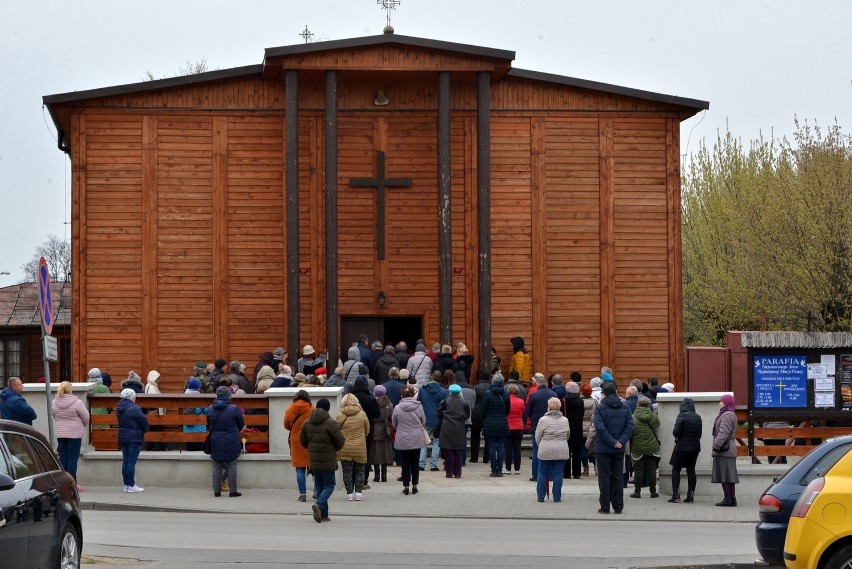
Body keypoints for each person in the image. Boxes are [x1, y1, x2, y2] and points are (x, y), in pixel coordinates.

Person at [300, 398, 345, 522]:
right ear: (328, 409)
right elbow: (340, 441)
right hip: (328, 459)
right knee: (329, 485)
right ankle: (319, 504)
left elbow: (302, 441)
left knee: (319, 485)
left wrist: (311, 448)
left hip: (313, 460)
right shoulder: (331, 423)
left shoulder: (307, 422)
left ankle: (323, 515)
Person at [593, 381, 633, 514]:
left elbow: (599, 428)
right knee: (618, 477)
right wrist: (620, 442)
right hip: (619, 448)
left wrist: (611, 442)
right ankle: (618, 506)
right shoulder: (625, 407)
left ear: (604, 394)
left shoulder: (600, 408)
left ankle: (605, 507)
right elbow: (630, 427)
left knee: (604, 477)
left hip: (603, 448)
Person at [208, 386, 245, 497]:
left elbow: (209, 424)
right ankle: (233, 491)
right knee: (232, 464)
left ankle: (217, 491)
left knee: (216, 465)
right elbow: (241, 424)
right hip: (231, 439)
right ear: (228, 396)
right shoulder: (234, 409)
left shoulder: (210, 408)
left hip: (215, 439)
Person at [52, 381, 89, 489]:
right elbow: (86, 416)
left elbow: (54, 415)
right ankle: (72, 484)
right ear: (70, 390)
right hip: (74, 434)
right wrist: (83, 424)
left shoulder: (54, 402)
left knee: (63, 457)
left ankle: (62, 483)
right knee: (72, 459)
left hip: (60, 433)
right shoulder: (77, 402)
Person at [392, 385, 427, 495]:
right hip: (417, 437)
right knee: (415, 462)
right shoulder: (419, 407)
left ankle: (406, 486)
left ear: (402, 395)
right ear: (413, 394)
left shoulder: (397, 408)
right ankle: (415, 486)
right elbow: (423, 421)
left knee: (405, 463)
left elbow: (394, 424)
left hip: (402, 437)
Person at [535, 397, 571, 502]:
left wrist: (541, 445)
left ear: (549, 407)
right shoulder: (565, 420)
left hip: (545, 448)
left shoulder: (543, 420)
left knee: (542, 472)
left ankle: (541, 496)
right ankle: (557, 497)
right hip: (561, 448)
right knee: (558, 473)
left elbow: (538, 436)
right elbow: (567, 435)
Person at [336, 393, 370, 501]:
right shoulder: (362, 414)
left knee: (347, 471)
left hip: (344, 447)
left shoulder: (340, 415)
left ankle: (349, 494)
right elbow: (367, 430)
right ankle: (359, 493)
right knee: (360, 470)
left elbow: (336, 431)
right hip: (359, 446)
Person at [669, 397, 702, 503]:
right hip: (695, 448)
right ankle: (691, 495)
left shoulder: (681, 415)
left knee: (676, 469)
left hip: (682, 447)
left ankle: (676, 495)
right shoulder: (698, 417)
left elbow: (676, 433)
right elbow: (699, 434)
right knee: (691, 470)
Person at [284, 390, 314, 502]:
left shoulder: (289, 409)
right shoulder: (312, 409)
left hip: (296, 441)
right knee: (314, 467)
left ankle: (302, 494)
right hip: (310, 440)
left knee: (299, 469)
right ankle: (316, 492)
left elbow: (286, 425)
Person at [525, 373, 556, 481]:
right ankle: (550, 475)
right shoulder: (553, 394)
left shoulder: (534, 395)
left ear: (537, 383)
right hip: (551, 426)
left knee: (536, 451)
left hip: (537, 426)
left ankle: (536, 475)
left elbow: (528, 412)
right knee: (550, 450)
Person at [117, 388, 148, 492]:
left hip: (123, 436)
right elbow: (143, 421)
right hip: (134, 437)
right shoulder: (135, 408)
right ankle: (131, 485)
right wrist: (145, 429)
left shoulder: (119, 407)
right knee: (131, 462)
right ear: (132, 397)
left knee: (126, 461)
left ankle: (126, 485)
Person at [629, 397, 661, 499]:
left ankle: (637, 492)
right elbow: (657, 426)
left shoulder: (632, 417)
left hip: (638, 448)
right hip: (652, 447)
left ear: (637, 405)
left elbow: (630, 432)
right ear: (648, 405)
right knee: (652, 469)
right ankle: (653, 492)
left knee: (638, 470)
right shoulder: (653, 416)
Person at [417, 370, 448, 471]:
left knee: (423, 442)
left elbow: (418, 404)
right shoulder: (444, 391)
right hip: (438, 420)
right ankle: (433, 465)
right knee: (436, 442)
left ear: (431, 377)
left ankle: (421, 464)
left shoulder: (422, 389)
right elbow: (446, 407)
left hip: (425, 419)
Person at [480, 374, 511, 477]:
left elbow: (483, 409)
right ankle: (500, 469)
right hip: (502, 422)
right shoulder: (506, 394)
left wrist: (486, 418)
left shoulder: (488, 394)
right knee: (501, 447)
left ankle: (494, 469)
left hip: (490, 422)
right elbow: (508, 410)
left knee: (492, 446)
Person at [437, 384, 470, 478]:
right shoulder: (464, 403)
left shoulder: (445, 401)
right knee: (458, 451)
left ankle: (449, 472)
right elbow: (467, 415)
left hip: (447, 427)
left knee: (448, 451)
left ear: (450, 392)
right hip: (459, 427)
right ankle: (458, 473)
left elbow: (438, 413)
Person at [712, 393, 739, 507]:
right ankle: (732, 499)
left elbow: (724, 432)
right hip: (728, 449)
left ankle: (728, 499)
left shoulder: (727, 415)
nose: (719, 403)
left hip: (725, 450)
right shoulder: (730, 414)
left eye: (721, 401)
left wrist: (716, 445)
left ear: (726, 403)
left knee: (725, 476)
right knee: (729, 476)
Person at [370, 385, 394, 483]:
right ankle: (384, 475)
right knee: (384, 453)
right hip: (385, 430)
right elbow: (391, 418)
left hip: (374, 429)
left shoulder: (372, 403)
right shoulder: (389, 404)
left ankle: (376, 475)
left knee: (375, 453)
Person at [563, 381, 586, 479]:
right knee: (577, 451)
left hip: (567, 428)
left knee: (566, 451)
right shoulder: (580, 401)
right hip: (578, 428)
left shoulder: (564, 401)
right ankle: (577, 473)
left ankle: (566, 473)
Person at [504, 383, 525, 475]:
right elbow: (523, 412)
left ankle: (508, 468)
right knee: (517, 449)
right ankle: (517, 469)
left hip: (508, 426)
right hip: (519, 427)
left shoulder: (506, 401)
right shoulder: (521, 401)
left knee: (508, 449)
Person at [470, 371, 490, 463]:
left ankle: (474, 457)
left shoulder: (475, 388)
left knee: (474, 436)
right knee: (488, 437)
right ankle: (486, 457)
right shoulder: (491, 388)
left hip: (476, 413)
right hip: (487, 414)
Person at [182, 378, 207, 451]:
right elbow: (205, 411)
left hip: (187, 429)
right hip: (199, 429)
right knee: (199, 450)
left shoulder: (184, 396)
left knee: (189, 449)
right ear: (198, 387)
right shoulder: (200, 397)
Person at [580, 383, 597, 476]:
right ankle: (595, 467)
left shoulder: (579, 401)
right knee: (593, 448)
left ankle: (585, 469)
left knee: (583, 448)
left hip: (581, 428)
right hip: (591, 427)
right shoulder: (595, 402)